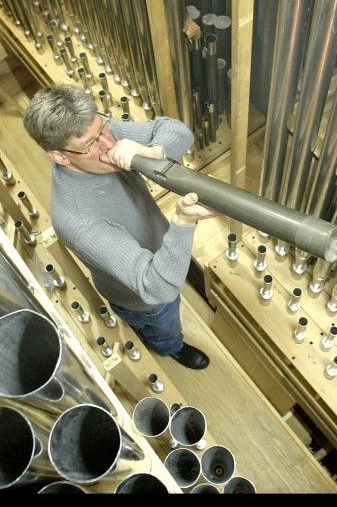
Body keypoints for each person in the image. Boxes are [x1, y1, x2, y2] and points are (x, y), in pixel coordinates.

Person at [23, 84, 217, 369]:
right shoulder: (79, 221)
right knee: (164, 324)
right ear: (61, 156)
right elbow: (157, 288)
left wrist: (153, 150)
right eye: (91, 145)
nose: (108, 145)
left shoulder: (95, 133)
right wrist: (184, 222)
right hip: (144, 299)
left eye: (103, 128)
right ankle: (172, 348)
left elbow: (180, 132)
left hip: (161, 251)